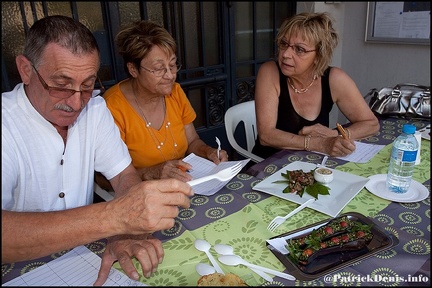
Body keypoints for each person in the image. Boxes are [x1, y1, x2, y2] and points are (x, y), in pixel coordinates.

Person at [1, 15, 194, 286]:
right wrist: (115, 219)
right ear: (26, 69)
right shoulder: (5, 123)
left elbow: (124, 176)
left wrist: (126, 232)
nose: (77, 101)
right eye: (61, 85)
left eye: (88, 84)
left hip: (84, 259)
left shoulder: (95, 109)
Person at [96, 20, 228, 189]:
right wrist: (151, 173)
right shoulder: (112, 108)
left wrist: (208, 152)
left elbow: (192, 141)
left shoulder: (175, 92)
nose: (170, 75)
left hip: (186, 186)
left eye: (172, 65)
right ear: (133, 69)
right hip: (142, 195)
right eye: (159, 69)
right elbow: (102, 179)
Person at [252, 12, 380, 159]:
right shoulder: (269, 72)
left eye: (299, 49)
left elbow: (371, 124)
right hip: (268, 165)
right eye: (284, 44)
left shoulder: (334, 79)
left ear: (319, 55)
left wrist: (335, 134)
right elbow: (266, 135)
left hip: (313, 164)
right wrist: (320, 144)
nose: (286, 54)